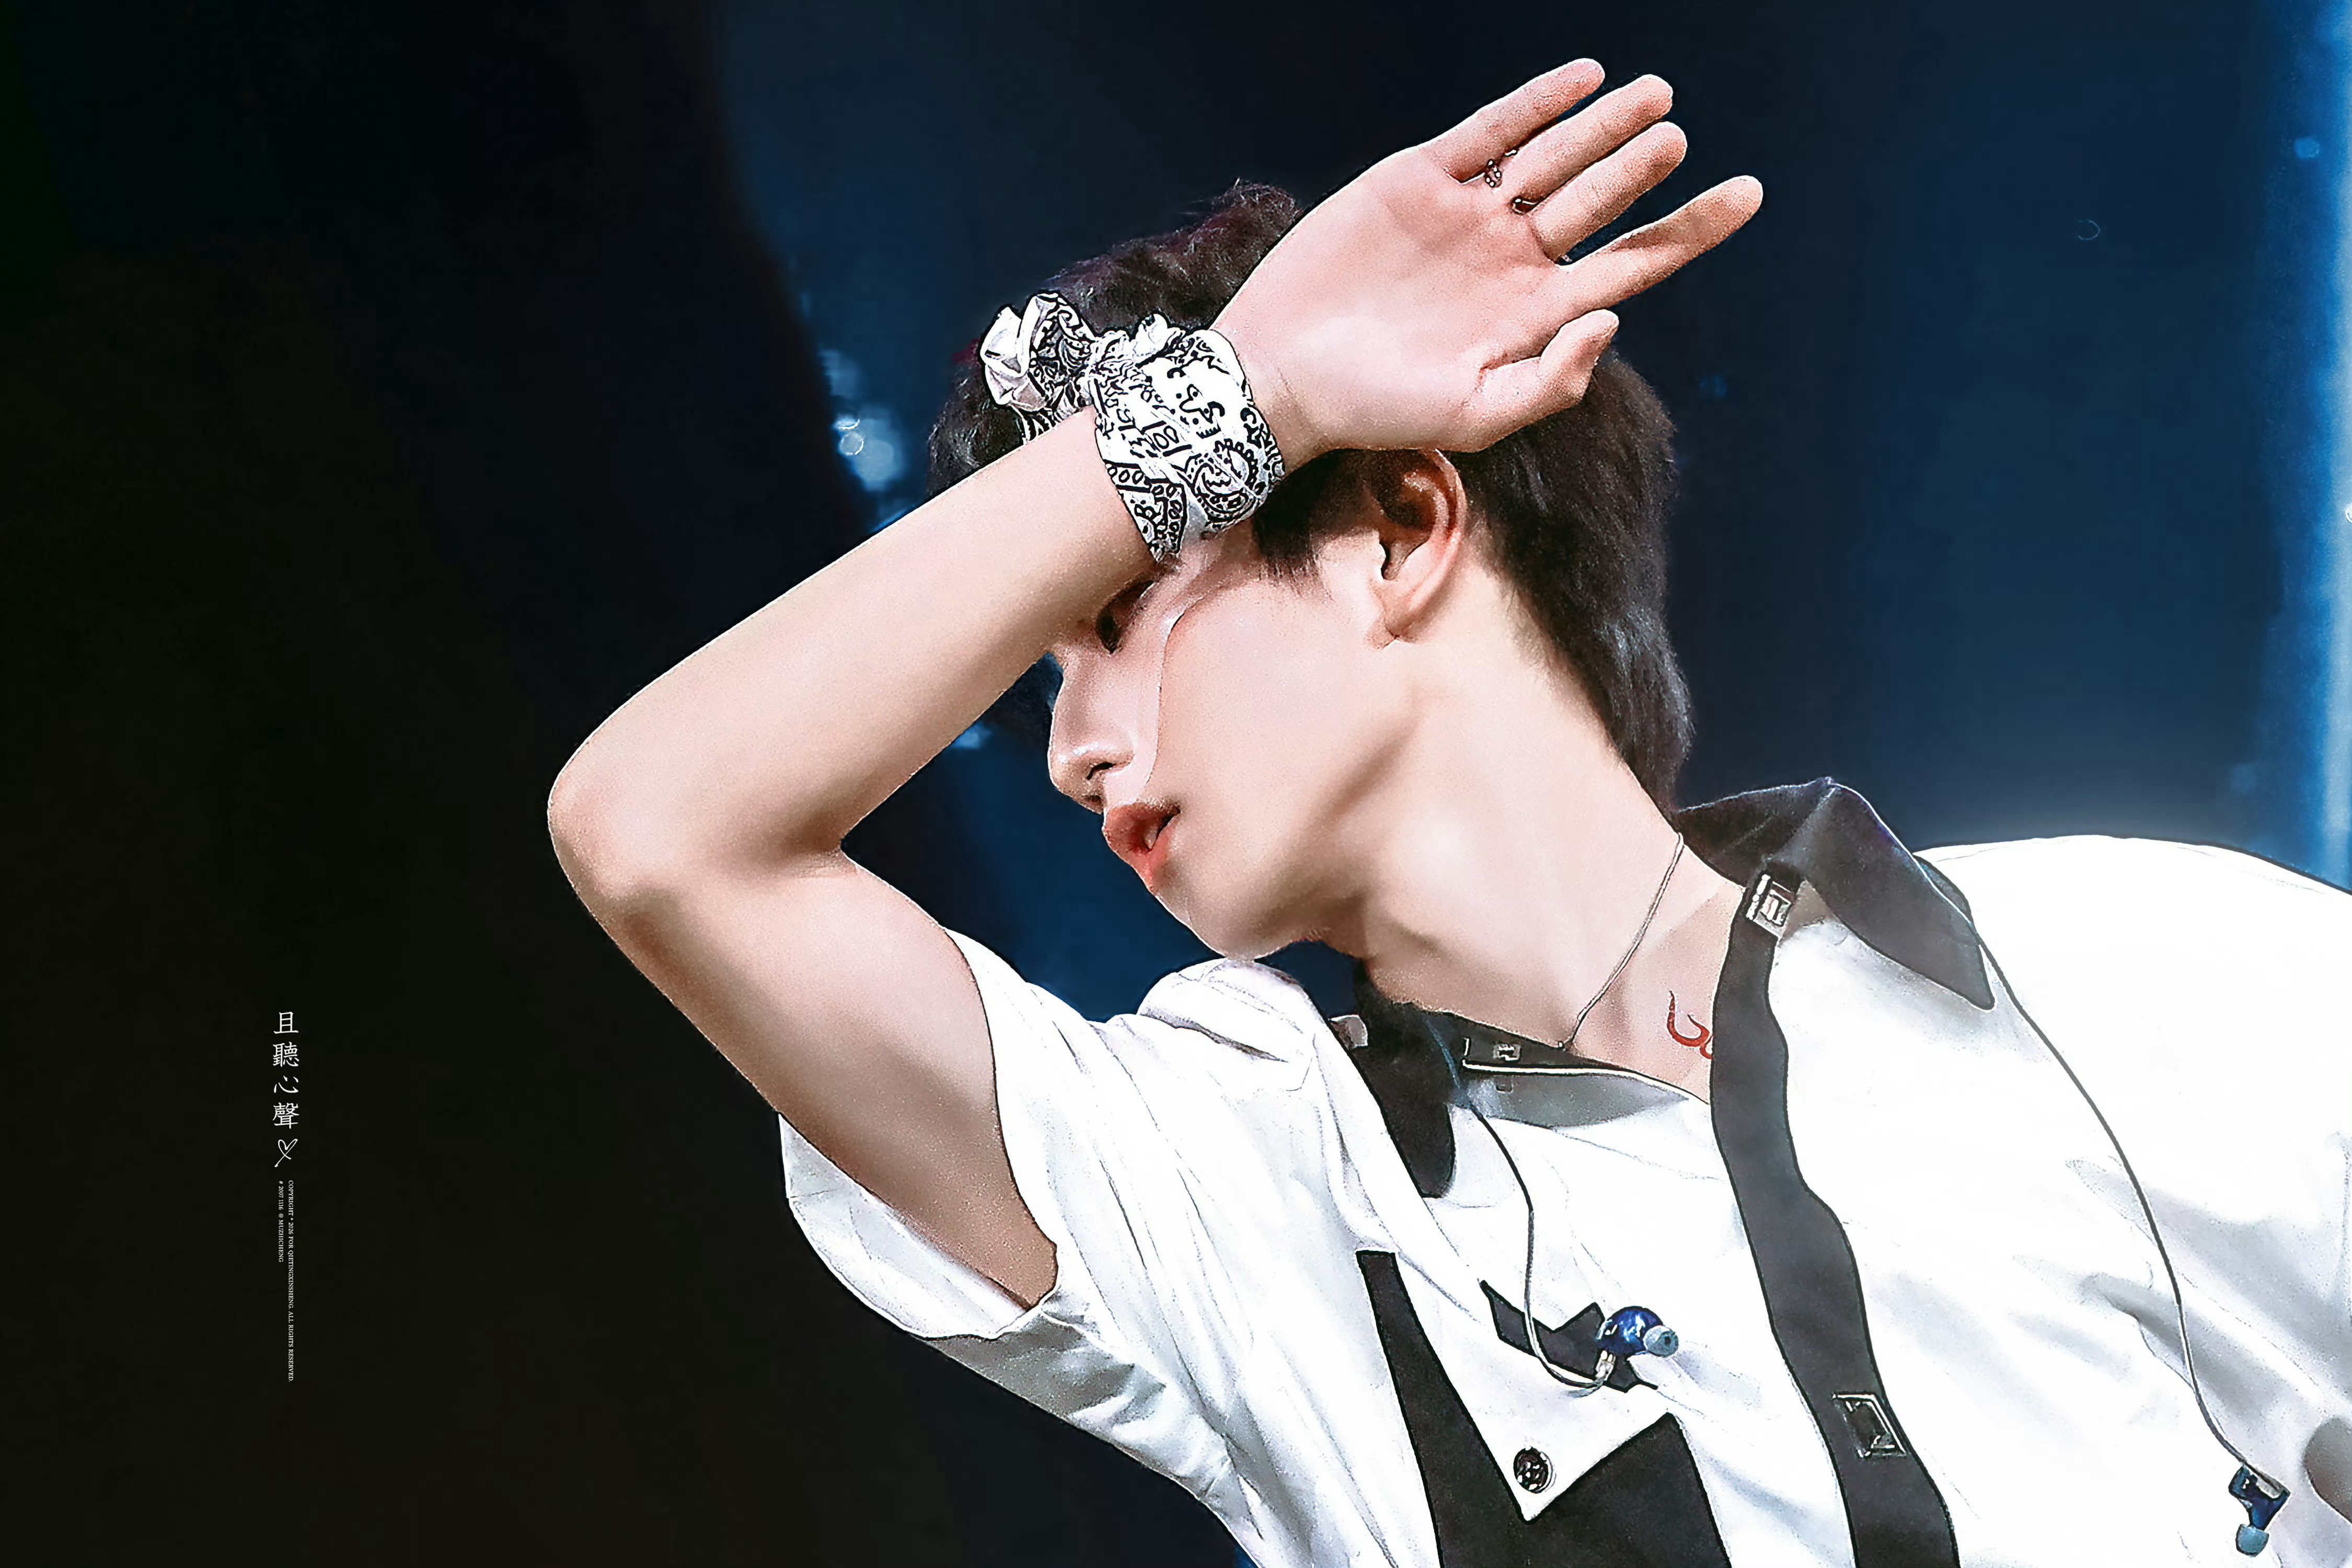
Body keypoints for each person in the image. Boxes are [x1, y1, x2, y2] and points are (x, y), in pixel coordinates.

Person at [545, 60, 2352, 1568]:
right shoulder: (1239, 1184)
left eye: (1114, 622)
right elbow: (662, 834)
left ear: (1402, 531)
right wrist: (1245, 399)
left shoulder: (2161, 963)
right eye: (1039, 681)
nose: (1072, 752)